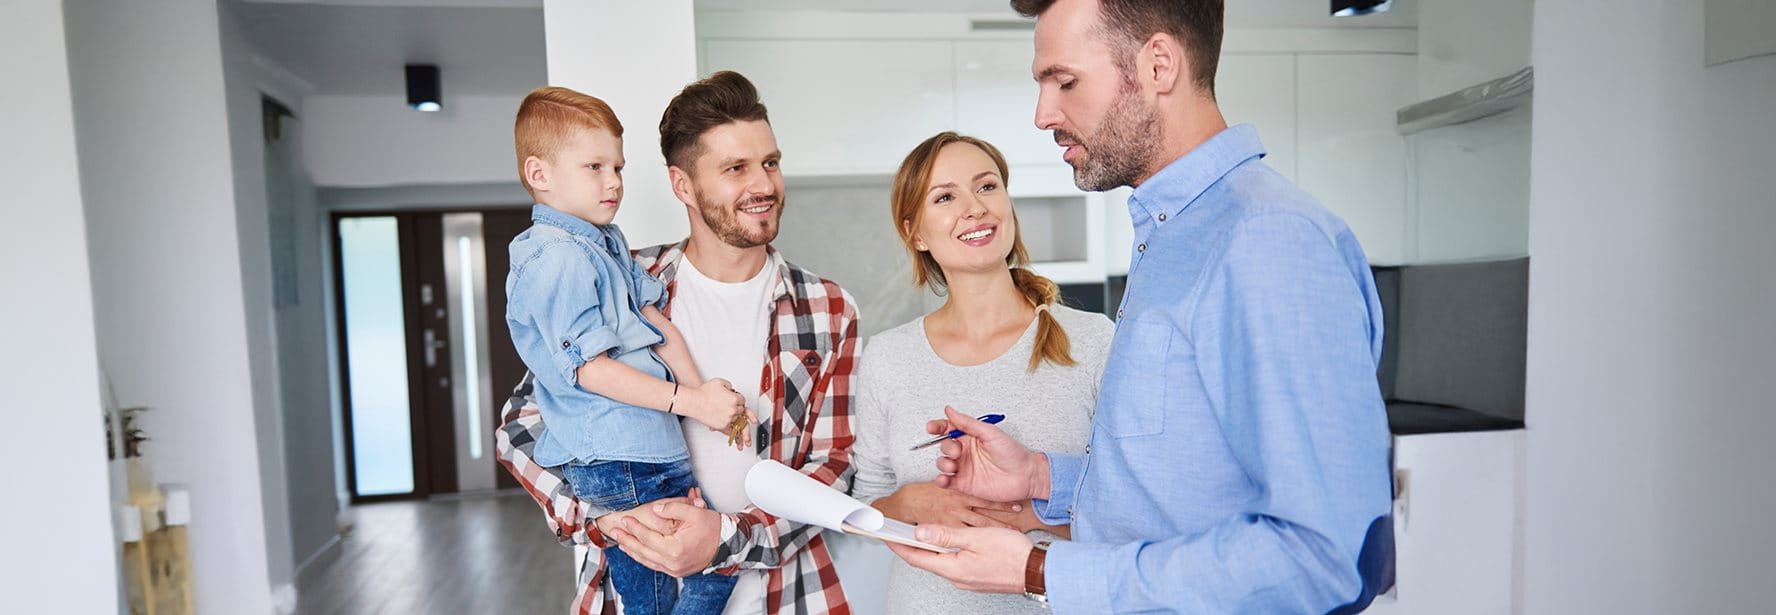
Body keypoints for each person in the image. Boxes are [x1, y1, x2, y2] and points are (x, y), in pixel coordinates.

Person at [886, 1, 1396, 613]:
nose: (1043, 114)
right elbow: (1185, 489)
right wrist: (1042, 478)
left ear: (1158, 65)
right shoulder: (1174, 237)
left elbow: (1326, 558)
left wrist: (1040, 568)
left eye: (1064, 81)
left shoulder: (1267, 239)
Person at [496, 71, 864, 615]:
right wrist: (601, 518)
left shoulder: (829, 308)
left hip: (787, 596)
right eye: (735, 168)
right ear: (683, 185)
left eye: (770, 163)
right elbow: (522, 425)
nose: (763, 184)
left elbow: (835, 464)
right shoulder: (622, 282)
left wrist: (724, 538)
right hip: (631, 586)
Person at [504, 85, 753, 615]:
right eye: (594, 167)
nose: (613, 182)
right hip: (616, 459)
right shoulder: (555, 258)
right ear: (539, 175)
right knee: (654, 597)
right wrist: (690, 403)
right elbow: (591, 371)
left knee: (718, 559)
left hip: (652, 448)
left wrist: (703, 393)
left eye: (617, 167)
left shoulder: (605, 240)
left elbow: (655, 322)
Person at [849, 131, 1113, 615]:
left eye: (987, 187)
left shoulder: (1095, 342)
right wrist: (909, 504)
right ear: (916, 232)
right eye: (945, 197)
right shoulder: (887, 358)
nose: (975, 208)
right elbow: (866, 505)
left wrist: (1028, 515)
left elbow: (1140, 507)